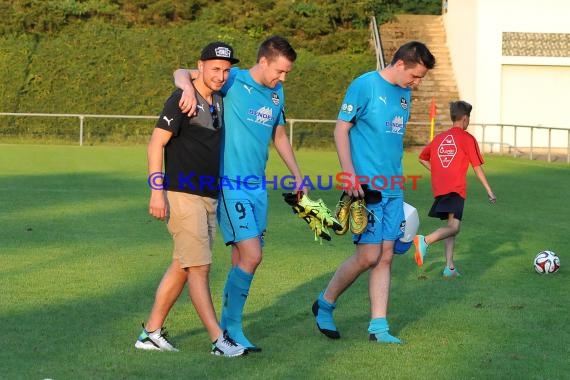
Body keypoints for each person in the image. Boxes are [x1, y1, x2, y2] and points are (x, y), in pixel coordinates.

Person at [173, 35, 306, 352]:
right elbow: (182, 72)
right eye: (279, 71)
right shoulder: (232, 79)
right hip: (230, 184)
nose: (282, 78)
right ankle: (229, 330)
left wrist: (297, 175)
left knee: (240, 258)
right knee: (252, 255)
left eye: (286, 73)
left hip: (257, 185)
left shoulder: (277, 93)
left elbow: (279, 134)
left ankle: (230, 329)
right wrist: (189, 89)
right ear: (263, 62)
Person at [312, 41, 436, 344]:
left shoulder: (405, 94)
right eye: (416, 76)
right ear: (400, 64)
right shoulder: (365, 85)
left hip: (394, 186)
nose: (417, 84)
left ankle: (378, 328)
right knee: (368, 255)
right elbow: (341, 129)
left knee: (386, 256)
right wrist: (348, 174)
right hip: (366, 187)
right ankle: (324, 303)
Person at [135, 42, 247, 357]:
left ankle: (150, 333)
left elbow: (181, 71)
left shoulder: (219, 98)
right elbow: (155, 145)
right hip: (182, 196)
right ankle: (218, 340)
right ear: (201, 66)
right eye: (215, 69)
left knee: (183, 266)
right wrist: (157, 191)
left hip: (208, 197)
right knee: (199, 267)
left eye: (226, 70)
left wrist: (184, 78)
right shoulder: (180, 100)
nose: (221, 75)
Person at [414, 100, 497, 277]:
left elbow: (422, 158)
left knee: (450, 226)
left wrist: (438, 172)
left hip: (441, 188)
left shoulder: (438, 138)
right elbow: (476, 166)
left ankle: (449, 268)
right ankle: (425, 240)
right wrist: (489, 190)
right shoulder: (467, 139)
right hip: (456, 188)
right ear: (465, 118)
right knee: (455, 228)